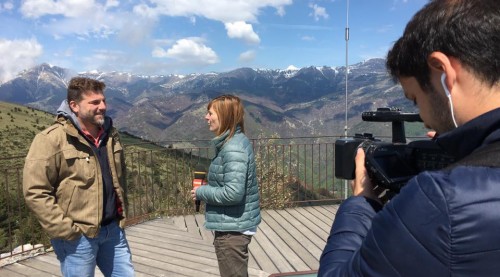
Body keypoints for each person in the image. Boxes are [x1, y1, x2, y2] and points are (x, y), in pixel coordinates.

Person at [319, 0, 500, 276]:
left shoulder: (442, 202)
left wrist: (361, 203)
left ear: (442, 72)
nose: (424, 118)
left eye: (415, 99)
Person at [23, 77, 134, 277]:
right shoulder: (51, 139)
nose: (102, 106)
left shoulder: (110, 136)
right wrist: (67, 231)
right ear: (74, 106)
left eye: (103, 101)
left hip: (113, 231)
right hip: (77, 236)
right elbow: (35, 192)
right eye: (94, 102)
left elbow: (119, 177)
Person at [191, 94, 261, 277]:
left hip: (232, 231)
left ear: (225, 116)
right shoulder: (236, 142)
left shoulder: (232, 148)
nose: (206, 117)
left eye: (210, 113)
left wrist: (202, 191)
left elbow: (233, 193)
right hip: (234, 225)